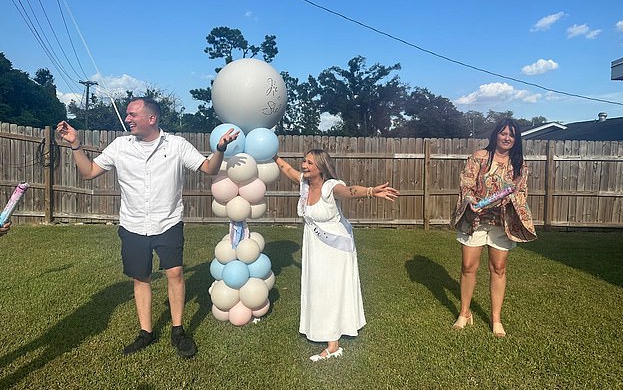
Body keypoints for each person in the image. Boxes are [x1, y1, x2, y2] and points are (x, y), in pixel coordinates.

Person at [56, 97, 239, 358]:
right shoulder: (120, 146)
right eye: (127, 115)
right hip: (132, 225)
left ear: (151, 119)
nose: (127, 119)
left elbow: (209, 169)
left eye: (133, 114)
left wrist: (219, 149)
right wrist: (75, 144)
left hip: (168, 222)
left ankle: (178, 330)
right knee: (140, 278)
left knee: (174, 274)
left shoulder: (176, 145)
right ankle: (146, 333)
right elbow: (89, 172)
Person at [275, 149, 399, 361]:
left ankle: (333, 344)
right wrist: (273, 156)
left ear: (321, 167)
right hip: (314, 244)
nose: (304, 166)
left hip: (335, 247)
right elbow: (287, 169)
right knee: (317, 287)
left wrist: (370, 191)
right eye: (304, 161)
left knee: (330, 290)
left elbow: (349, 190)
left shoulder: (331, 186)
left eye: (310, 163)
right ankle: (321, 328)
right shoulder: (304, 183)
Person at [450, 118, 537, 337]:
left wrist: (514, 199)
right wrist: (471, 201)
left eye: (512, 135)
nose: (507, 138)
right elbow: (466, 184)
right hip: (475, 220)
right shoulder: (479, 157)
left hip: (501, 222)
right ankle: (464, 312)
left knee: (498, 268)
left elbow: (522, 193)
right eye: (503, 133)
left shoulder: (520, 166)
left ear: (516, 140)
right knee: (468, 265)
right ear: (496, 135)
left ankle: (496, 318)